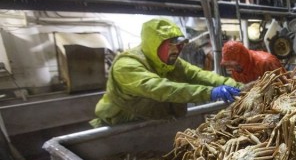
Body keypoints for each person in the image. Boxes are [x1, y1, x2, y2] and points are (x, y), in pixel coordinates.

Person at [90, 18, 242, 127]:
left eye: (179, 45)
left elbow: (199, 75)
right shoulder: (126, 66)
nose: (177, 50)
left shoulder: (172, 63)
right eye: (171, 46)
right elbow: (162, 88)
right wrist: (211, 93)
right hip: (119, 130)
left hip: (155, 122)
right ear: (154, 44)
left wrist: (237, 86)